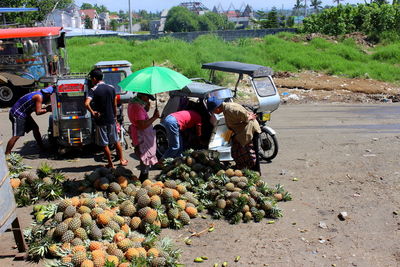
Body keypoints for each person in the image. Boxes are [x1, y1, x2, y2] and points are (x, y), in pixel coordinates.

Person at [85, 68, 128, 168]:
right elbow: (114, 104)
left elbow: (86, 103)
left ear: (95, 78)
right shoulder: (111, 87)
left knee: (104, 143)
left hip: (101, 121)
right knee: (116, 140)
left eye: (92, 79)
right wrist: (115, 117)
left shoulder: (93, 90)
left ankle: (110, 164)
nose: (91, 81)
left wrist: (93, 112)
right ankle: (122, 160)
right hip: (111, 119)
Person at [207, 96, 261, 172]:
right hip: (240, 131)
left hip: (248, 130)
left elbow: (245, 116)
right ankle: (241, 167)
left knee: (248, 153)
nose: (213, 113)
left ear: (217, 108)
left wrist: (248, 117)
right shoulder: (225, 109)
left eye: (213, 111)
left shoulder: (231, 109)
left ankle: (252, 171)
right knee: (235, 151)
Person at [5, 86, 54, 155]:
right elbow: (38, 112)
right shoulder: (39, 97)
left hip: (24, 113)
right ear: (49, 94)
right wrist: (48, 109)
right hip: (17, 114)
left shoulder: (39, 93)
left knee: (35, 128)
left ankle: (42, 147)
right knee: (17, 135)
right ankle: (7, 153)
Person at [128, 93, 159, 181]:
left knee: (143, 156)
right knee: (145, 157)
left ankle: (143, 177)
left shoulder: (133, 103)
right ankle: (144, 178)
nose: (148, 100)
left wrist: (147, 105)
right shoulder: (137, 108)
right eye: (147, 98)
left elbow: (144, 113)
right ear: (143, 96)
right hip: (143, 135)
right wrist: (154, 117)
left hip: (140, 134)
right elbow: (142, 125)